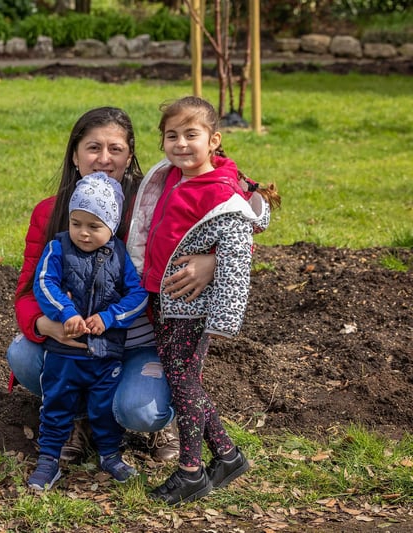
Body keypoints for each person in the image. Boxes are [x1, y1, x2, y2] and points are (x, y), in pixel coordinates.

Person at [6, 106, 272, 465]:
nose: (103, 158)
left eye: (115, 149)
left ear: (130, 155)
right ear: (74, 154)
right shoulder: (51, 213)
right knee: (22, 353)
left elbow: (233, 203)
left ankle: (162, 416)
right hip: (79, 339)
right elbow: (26, 289)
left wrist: (215, 261)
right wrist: (44, 325)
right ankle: (77, 417)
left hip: (142, 340)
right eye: (92, 147)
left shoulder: (155, 199)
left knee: (140, 411)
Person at [143, 96, 281, 506]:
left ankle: (190, 470)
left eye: (192, 135)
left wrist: (223, 318)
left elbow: (238, 254)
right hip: (166, 298)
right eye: (172, 136)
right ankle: (227, 455)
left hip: (192, 305)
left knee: (183, 383)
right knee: (184, 380)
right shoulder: (174, 176)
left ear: (214, 140)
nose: (181, 143)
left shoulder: (219, 192)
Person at [27, 173, 149, 490]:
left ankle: (110, 455)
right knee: (55, 405)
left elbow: (138, 296)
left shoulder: (120, 255)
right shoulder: (58, 248)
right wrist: (66, 313)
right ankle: (48, 460)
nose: (83, 233)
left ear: (112, 226)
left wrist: (109, 317)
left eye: (94, 227)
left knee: (105, 408)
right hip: (64, 353)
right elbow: (43, 284)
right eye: (76, 222)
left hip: (106, 354)